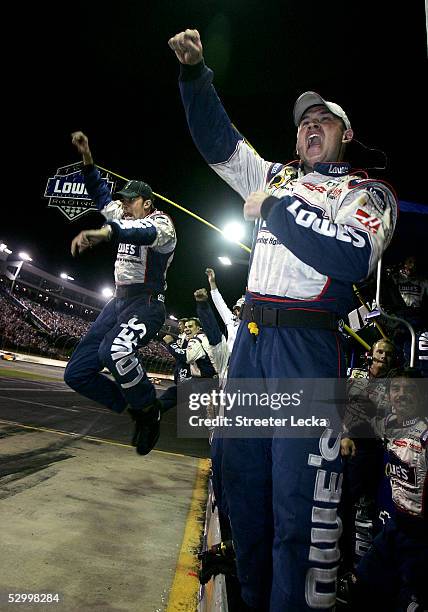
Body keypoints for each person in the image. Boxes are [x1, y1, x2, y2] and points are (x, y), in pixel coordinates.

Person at [168, 29, 398, 611]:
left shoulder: (369, 194)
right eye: (303, 123)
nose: (310, 127)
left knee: (301, 512)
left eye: (323, 120)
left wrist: (273, 207)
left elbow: (347, 255)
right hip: (249, 344)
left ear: (346, 134)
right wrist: (196, 76)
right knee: (240, 486)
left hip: (308, 348)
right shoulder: (276, 174)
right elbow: (218, 144)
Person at [64, 132, 176, 456]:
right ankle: (134, 407)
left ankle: (149, 411)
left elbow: (142, 232)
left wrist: (104, 232)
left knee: (114, 350)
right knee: (77, 373)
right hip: (117, 302)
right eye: (123, 201)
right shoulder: (122, 215)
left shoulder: (162, 225)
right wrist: (87, 156)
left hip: (147, 304)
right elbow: (100, 193)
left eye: (130, 201)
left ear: (147, 204)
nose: (124, 206)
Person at [342, 368, 428, 611]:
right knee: (361, 586)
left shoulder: (424, 435)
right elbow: (359, 427)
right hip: (394, 529)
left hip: (421, 538)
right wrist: (346, 436)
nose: (401, 395)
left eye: (410, 390)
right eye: (396, 389)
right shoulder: (388, 423)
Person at [205, 267, 244, 354]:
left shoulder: (254, 323)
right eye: (237, 309)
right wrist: (212, 282)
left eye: (242, 309)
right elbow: (219, 302)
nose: (238, 311)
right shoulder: (231, 319)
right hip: (229, 359)